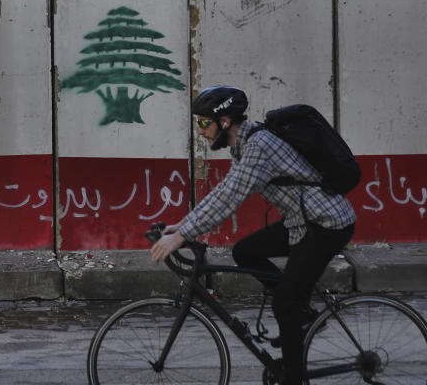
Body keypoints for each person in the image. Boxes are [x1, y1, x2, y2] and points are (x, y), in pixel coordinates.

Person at [150, 85, 356, 385]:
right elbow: (224, 189)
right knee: (245, 252)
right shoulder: (245, 145)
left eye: (204, 122)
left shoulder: (259, 147)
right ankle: (301, 313)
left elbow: (230, 198)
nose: (200, 130)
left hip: (326, 224)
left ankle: (294, 376)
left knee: (283, 303)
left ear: (224, 122)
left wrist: (181, 238)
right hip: (304, 221)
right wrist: (183, 225)